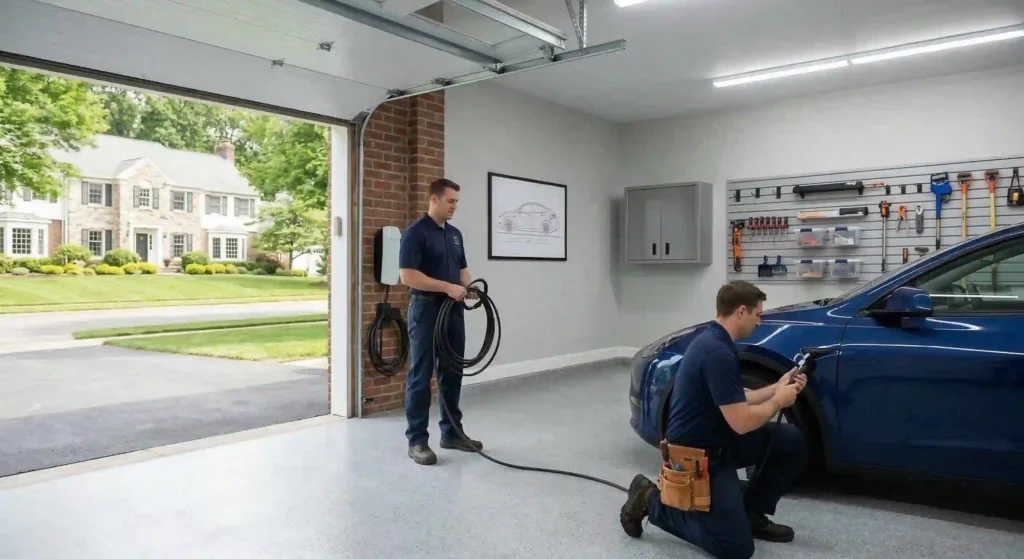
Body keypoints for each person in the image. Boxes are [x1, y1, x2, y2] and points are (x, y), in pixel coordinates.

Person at [619, 280, 808, 559]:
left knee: (789, 440)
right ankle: (649, 499)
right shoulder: (717, 352)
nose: (759, 322)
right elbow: (741, 422)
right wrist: (779, 401)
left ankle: (752, 513)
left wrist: (775, 387)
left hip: (720, 441)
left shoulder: (714, 341)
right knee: (737, 549)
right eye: (758, 315)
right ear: (741, 312)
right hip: (697, 458)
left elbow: (734, 395)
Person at [398, 177, 483, 466]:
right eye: (451, 201)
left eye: (457, 202)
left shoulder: (455, 234)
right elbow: (407, 276)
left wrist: (468, 287)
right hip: (426, 311)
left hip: (453, 311)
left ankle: (452, 433)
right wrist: (448, 288)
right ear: (433, 199)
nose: (455, 207)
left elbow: (462, 270)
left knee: (453, 370)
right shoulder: (415, 233)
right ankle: (418, 441)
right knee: (421, 374)